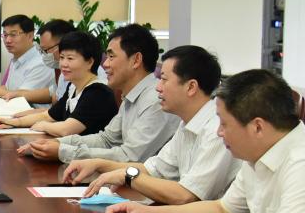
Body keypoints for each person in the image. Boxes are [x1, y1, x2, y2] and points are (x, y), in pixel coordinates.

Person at [104, 69, 305, 213]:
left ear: (257, 126)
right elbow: (223, 210)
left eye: (224, 124)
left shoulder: (299, 161)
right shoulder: (259, 151)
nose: (219, 132)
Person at [63, 45, 239, 204]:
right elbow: (153, 169)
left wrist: (128, 177)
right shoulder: (186, 124)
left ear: (191, 87)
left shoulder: (217, 130)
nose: (158, 87)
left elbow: (186, 195)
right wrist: (98, 164)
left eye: (164, 79)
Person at [22, 23, 179, 162]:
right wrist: (57, 143)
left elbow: (129, 156)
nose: (105, 64)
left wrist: (62, 151)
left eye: (111, 56)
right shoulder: (130, 97)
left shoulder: (156, 100)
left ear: (136, 60)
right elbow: (106, 140)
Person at [0, 31, 117, 139]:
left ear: (89, 62)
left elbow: (66, 129)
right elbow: (48, 115)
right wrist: (13, 123)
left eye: (70, 58)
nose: (63, 64)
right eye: (62, 57)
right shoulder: (73, 87)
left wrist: (42, 126)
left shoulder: (98, 92)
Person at [0, 14, 55, 104]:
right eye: (5, 35)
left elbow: (21, 97)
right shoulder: (17, 58)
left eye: (13, 34)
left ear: (30, 36)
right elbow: (7, 89)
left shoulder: (41, 63)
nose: (8, 40)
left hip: (31, 111)